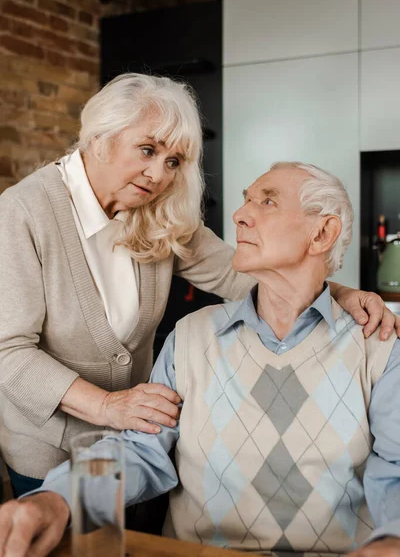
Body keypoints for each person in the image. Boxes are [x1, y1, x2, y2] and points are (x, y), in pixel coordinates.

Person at [0, 74, 397, 498]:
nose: (158, 174)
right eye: (148, 150)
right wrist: (106, 406)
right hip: (50, 451)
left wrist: (339, 294)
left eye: (174, 161)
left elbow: (246, 272)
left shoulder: (156, 212)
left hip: (139, 448)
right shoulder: (22, 213)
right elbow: (8, 353)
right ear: (101, 138)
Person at [2, 161, 400, 557]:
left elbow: (396, 470)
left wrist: (391, 540)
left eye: (268, 201)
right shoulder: (191, 337)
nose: (240, 214)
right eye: (245, 201)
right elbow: (141, 453)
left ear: (323, 233)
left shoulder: (379, 345)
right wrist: (58, 499)